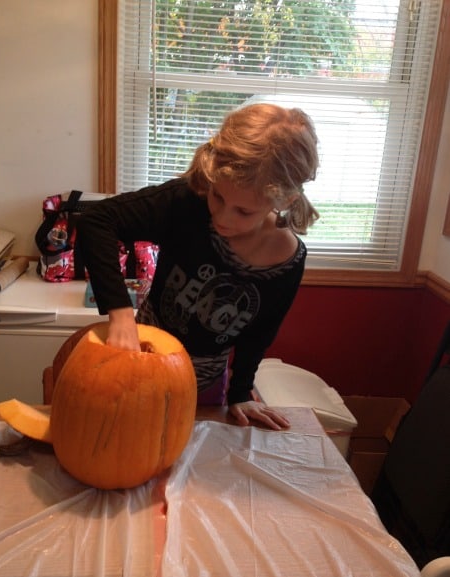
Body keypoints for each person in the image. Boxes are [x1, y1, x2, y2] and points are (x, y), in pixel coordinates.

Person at [77, 102, 319, 429]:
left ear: (283, 201)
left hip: (203, 386)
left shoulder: (287, 261)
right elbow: (97, 220)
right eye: (217, 197)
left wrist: (241, 393)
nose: (221, 218)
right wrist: (119, 311)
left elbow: (259, 334)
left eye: (243, 212)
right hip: (139, 358)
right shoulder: (187, 201)